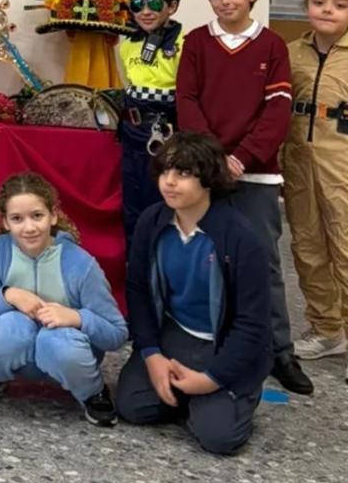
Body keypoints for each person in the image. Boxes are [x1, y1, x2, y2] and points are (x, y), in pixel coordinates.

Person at [176, 0, 312, 395]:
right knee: (203, 259)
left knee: (263, 264)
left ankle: (279, 353)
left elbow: (277, 111)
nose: (225, 1)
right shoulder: (197, 42)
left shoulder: (272, 45)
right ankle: (211, 342)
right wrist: (215, 159)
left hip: (256, 176)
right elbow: (188, 100)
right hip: (206, 172)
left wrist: (244, 158)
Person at [116, 132, 272, 455]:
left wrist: (211, 379)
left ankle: (231, 395)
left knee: (219, 439)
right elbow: (139, 292)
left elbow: (252, 324)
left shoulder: (240, 236)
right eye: (165, 171)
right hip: (176, 333)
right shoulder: (153, 221)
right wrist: (152, 355)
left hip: (221, 342)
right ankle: (189, 396)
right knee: (131, 405)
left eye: (183, 173)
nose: (169, 182)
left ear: (209, 179)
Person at [0, 173, 126, 427]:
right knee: (8, 328)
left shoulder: (81, 264)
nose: (29, 228)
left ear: (53, 215)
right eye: (17, 218)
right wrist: (7, 295)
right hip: (17, 353)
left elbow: (117, 334)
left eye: (37, 216)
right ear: (5, 222)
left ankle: (92, 392)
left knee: (55, 339)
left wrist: (77, 317)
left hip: (68, 356)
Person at [284, 0, 348, 369]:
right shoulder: (291, 53)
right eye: (320, 2)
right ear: (307, 6)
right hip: (298, 162)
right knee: (307, 247)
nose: (328, 10)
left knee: (344, 245)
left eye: (340, 5)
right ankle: (327, 328)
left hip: (341, 161)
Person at [116, 0, 185, 251]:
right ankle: (138, 274)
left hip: (167, 136)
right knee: (133, 207)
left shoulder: (185, 44)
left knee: (165, 205)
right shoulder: (126, 45)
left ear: (172, 5)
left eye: (155, 4)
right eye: (137, 4)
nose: (145, 11)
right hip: (133, 134)